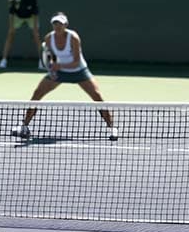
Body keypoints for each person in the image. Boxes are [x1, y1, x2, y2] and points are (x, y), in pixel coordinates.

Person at [11, 12, 117, 141]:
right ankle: (24, 126)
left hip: (79, 71)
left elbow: (76, 62)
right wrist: (52, 69)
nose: (57, 26)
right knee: (37, 94)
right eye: (55, 23)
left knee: (97, 96)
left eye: (60, 24)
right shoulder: (49, 38)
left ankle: (112, 128)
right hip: (59, 72)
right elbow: (51, 57)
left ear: (65, 24)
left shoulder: (73, 38)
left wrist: (59, 66)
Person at [0, 0, 41, 70]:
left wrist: (35, 26)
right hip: (17, 15)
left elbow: (35, 8)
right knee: (10, 34)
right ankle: (3, 60)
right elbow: (11, 7)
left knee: (36, 35)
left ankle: (42, 61)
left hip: (30, 15)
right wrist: (11, 24)